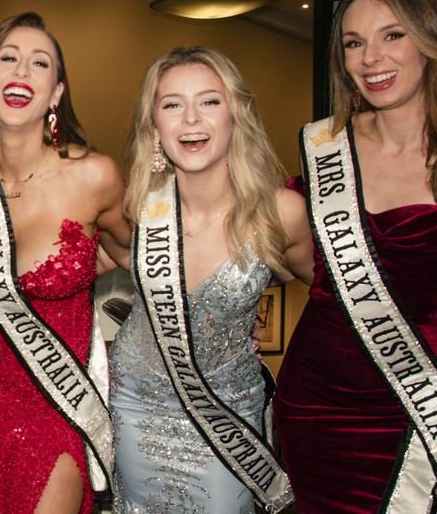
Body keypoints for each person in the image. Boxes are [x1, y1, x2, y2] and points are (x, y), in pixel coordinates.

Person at [274, 0, 437, 514]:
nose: (371, 58)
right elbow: (323, 271)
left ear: (432, 40)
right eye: (353, 42)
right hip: (311, 403)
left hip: (415, 408)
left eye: (393, 35)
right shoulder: (323, 147)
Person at [0, 12, 130, 514]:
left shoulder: (94, 176)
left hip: (57, 400)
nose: (23, 71)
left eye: (40, 63)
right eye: (9, 58)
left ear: (56, 93)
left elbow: (145, 258)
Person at [109, 47, 312, 513]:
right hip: (135, 408)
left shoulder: (280, 213)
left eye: (209, 101)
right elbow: (66, 272)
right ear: (154, 125)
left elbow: (335, 295)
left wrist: (430, 332)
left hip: (226, 419)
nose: (191, 119)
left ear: (235, 113)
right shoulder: (135, 210)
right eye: (172, 104)